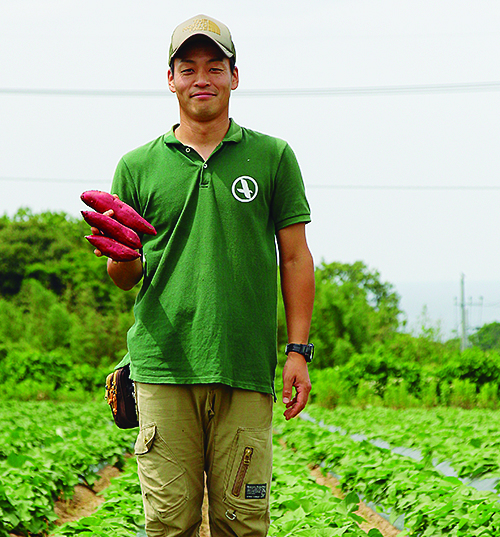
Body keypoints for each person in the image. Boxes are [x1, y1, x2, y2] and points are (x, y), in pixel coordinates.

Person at [94, 14, 315, 537]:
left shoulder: (273, 156)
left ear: (234, 77)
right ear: (170, 78)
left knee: (242, 524)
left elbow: (296, 257)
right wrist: (123, 256)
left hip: (244, 365)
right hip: (162, 367)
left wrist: (298, 351)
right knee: (170, 525)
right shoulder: (137, 166)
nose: (202, 78)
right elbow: (123, 276)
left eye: (215, 67)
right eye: (188, 67)